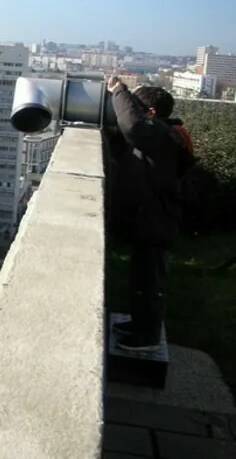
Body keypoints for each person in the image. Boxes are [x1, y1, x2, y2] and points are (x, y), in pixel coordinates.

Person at [106, 76, 195, 352]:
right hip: (152, 219)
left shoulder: (162, 135)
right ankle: (139, 324)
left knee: (151, 281)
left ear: (152, 113)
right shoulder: (162, 135)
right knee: (141, 280)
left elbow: (132, 125)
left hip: (159, 221)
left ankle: (148, 338)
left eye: (137, 106)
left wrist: (119, 92)